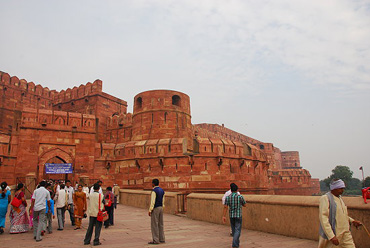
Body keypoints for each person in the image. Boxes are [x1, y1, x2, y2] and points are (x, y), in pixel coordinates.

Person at [318, 179, 362, 248]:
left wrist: (352, 221)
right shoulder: (326, 198)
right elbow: (323, 218)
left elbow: (342, 215)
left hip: (345, 233)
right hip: (335, 233)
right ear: (334, 188)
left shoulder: (340, 198)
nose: (342, 190)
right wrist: (331, 236)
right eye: (340, 188)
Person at [222, 183, 246, 248]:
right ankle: (235, 245)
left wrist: (223, 216)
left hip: (231, 215)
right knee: (237, 230)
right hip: (238, 215)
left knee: (234, 230)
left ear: (231, 190)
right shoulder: (240, 197)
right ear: (237, 190)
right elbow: (245, 205)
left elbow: (225, 207)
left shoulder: (228, 197)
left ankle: (236, 244)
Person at [148, 178, 165, 245]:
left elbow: (153, 201)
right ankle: (162, 238)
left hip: (156, 208)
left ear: (153, 184)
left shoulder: (154, 191)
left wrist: (150, 209)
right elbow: (163, 200)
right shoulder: (162, 190)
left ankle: (156, 240)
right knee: (161, 224)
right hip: (161, 207)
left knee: (154, 224)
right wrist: (162, 206)